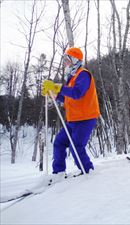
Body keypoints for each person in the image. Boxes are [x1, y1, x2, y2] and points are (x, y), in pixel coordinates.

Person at [42, 47, 100, 175]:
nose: (65, 63)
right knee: (59, 142)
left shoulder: (83, 74)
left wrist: (59, 87)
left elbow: (77, 93)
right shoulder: (72, 77)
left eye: (67, 60)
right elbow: (69, 99)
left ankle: (88, 171)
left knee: (76, 147)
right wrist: (54, 95)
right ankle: (59, 173)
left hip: (85, 119)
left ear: (75, 60)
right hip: (73, 119)